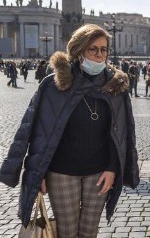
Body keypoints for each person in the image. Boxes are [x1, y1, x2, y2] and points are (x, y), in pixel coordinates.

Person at [0, 23, 140, 237]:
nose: (100, 55)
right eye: (93, 49)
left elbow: (121, 134)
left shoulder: (116, 88)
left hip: (99, 171)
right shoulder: (53, 85)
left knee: (89, 231)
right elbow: (37, 132)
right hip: (61, 172)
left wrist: (113, 168)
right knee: (66, 231)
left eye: (104, 49)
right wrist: (38, 173)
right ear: (78, 51)